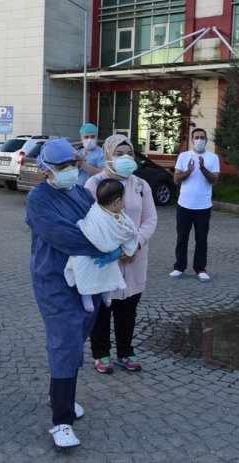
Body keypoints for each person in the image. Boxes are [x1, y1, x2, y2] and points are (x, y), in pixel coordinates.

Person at [25, 138, 121, 448]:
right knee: (65, 342)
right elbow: (65, 236)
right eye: (61, 167)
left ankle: (60, 398)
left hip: (87, 281)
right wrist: (105, 245)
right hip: (54, 280)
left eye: (71, 165)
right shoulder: (39, 199)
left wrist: (113, 237)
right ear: (45, 170)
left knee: (76, 337)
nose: (68, 171)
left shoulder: (80, 192)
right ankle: (62, 421)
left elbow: (102, 220)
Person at [86, 134, 158, 374]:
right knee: (103, 309)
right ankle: (101, 353)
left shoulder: (140, 185)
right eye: (119, 154)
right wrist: (114, 249)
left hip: (135, 258)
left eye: (129, 153)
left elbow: (150, 219)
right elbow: (90, 221)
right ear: (108, 155)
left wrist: (135, 245)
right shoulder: (94, 184)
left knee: (128, 308)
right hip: (106, 258)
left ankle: (126, 352)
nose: (125, 158)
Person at [65, 178, 139, 312]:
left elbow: (127, 231)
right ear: (117, 201)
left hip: (109, 253)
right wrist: (105, 245)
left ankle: (106, 292)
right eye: (125, 197)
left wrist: (120, 248)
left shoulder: (119, 213)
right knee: (83, 264)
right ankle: (86, 294)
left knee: (108, 268)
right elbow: (91, 229)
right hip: (89, 251)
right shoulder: (96, 213)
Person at [170, 128, 220, 282]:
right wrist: (188, 171)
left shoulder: (213, 158)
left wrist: (203, 168)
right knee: (182, 237)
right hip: (184, 204)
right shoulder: (184, 156)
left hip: (203, 205)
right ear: (192, 140)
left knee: (201, 238)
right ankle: (179, 267)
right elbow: (176, 180)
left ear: (206, 140)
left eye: (202, 137)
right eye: (196, 137)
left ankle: (200, 268)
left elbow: (214, 180)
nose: (199, 140)